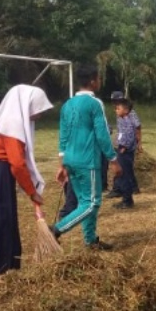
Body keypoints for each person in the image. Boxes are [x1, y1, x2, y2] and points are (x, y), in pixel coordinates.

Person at [0, 85, 53, 282]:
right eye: (37, 109)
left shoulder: (8, 120)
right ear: (27, 105)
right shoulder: (12, 124)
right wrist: (32, 192)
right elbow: (17, 164)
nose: (39, 115)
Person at [52, 65, 120, 250]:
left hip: (71, 160)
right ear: (92, 81)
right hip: (87, 160)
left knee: (85, 201)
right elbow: (102, 133)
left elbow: (63, 135)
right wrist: (113, 159)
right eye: (98, 79)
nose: (100, 82)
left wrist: (62, 164)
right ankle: (56, 230)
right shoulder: (94, 103)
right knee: (92, 203)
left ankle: (90, 241)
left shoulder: (67, 104)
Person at [111, 96, 141, 210]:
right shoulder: (122, 119)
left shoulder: (128, 121)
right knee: (123, 174)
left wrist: (124, 146)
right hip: (121, 148)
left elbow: (129, 135)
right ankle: (125, 197)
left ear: (126, 110)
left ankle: (127, 200)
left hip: (125, 151)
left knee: (125, 175)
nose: (116, 110)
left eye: (118, 108)